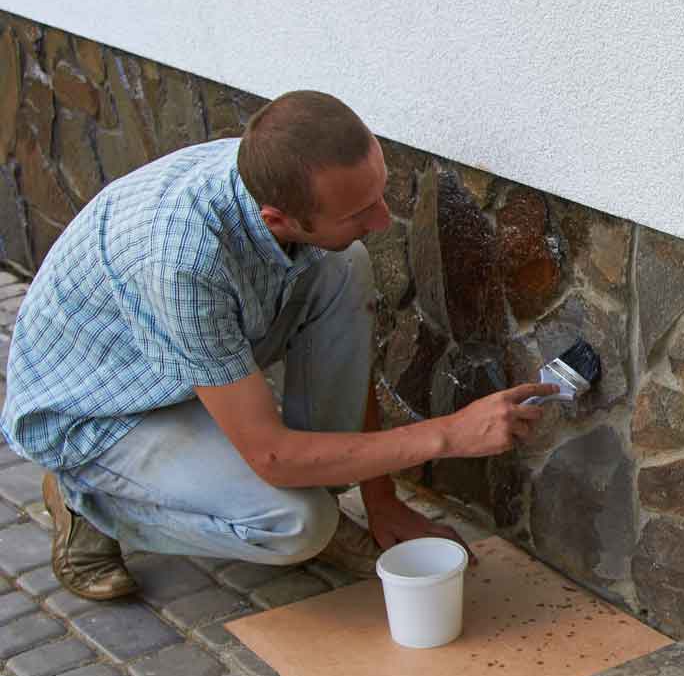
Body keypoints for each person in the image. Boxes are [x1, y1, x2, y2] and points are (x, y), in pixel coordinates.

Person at [0, 90, 555, 601]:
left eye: (378, 195)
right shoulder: (182, 262)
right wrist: (447, 436)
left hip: (175, 367)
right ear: (278, 219)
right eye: (360, 212)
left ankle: (319, 491)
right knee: (297, 525)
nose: (384, 220)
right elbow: (269, 454)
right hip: (97, 412)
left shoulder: (274, 174)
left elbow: (345, 335)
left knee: (344, 263)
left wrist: (382, 500)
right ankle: (86, 501)